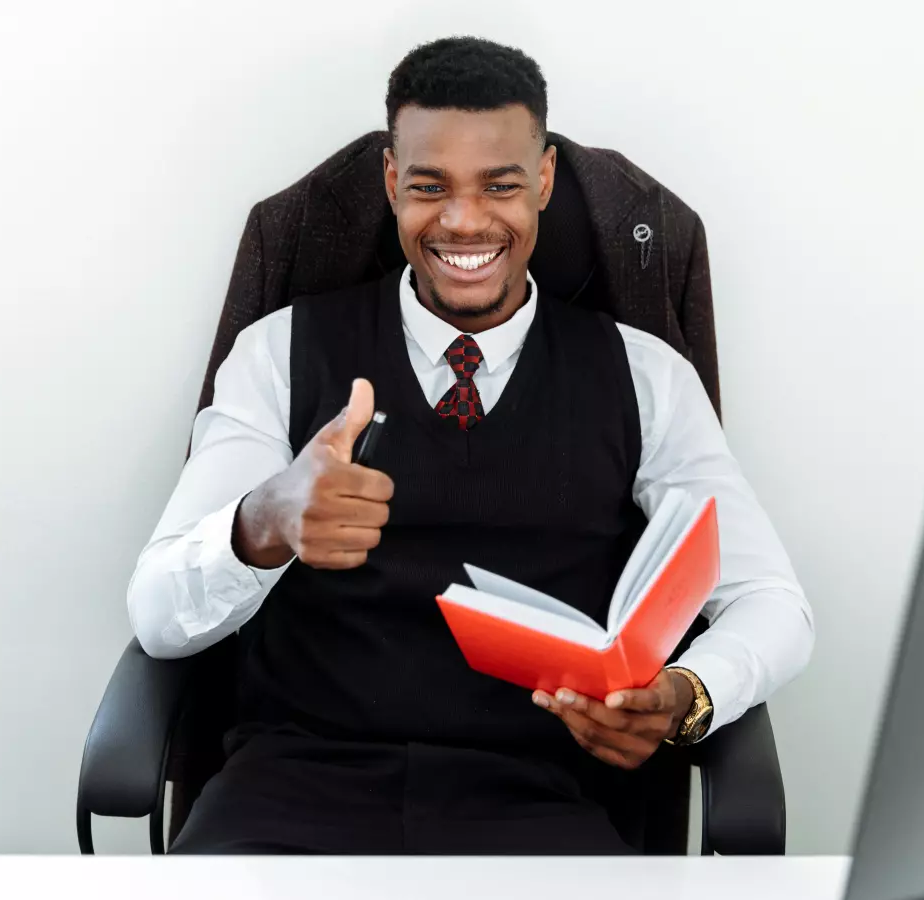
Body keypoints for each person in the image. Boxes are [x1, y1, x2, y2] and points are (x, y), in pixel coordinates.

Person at [127, 36, 814, 855]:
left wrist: (689, 692)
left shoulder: (646, 376)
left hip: (542, 805)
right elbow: (159, 617)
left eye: (500, 186)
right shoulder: (278, 353)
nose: (463, 221)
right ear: (391, 182)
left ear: (545, 182)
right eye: (429, 187)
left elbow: (772, 601)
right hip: (292, 792)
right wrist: (262, 522)